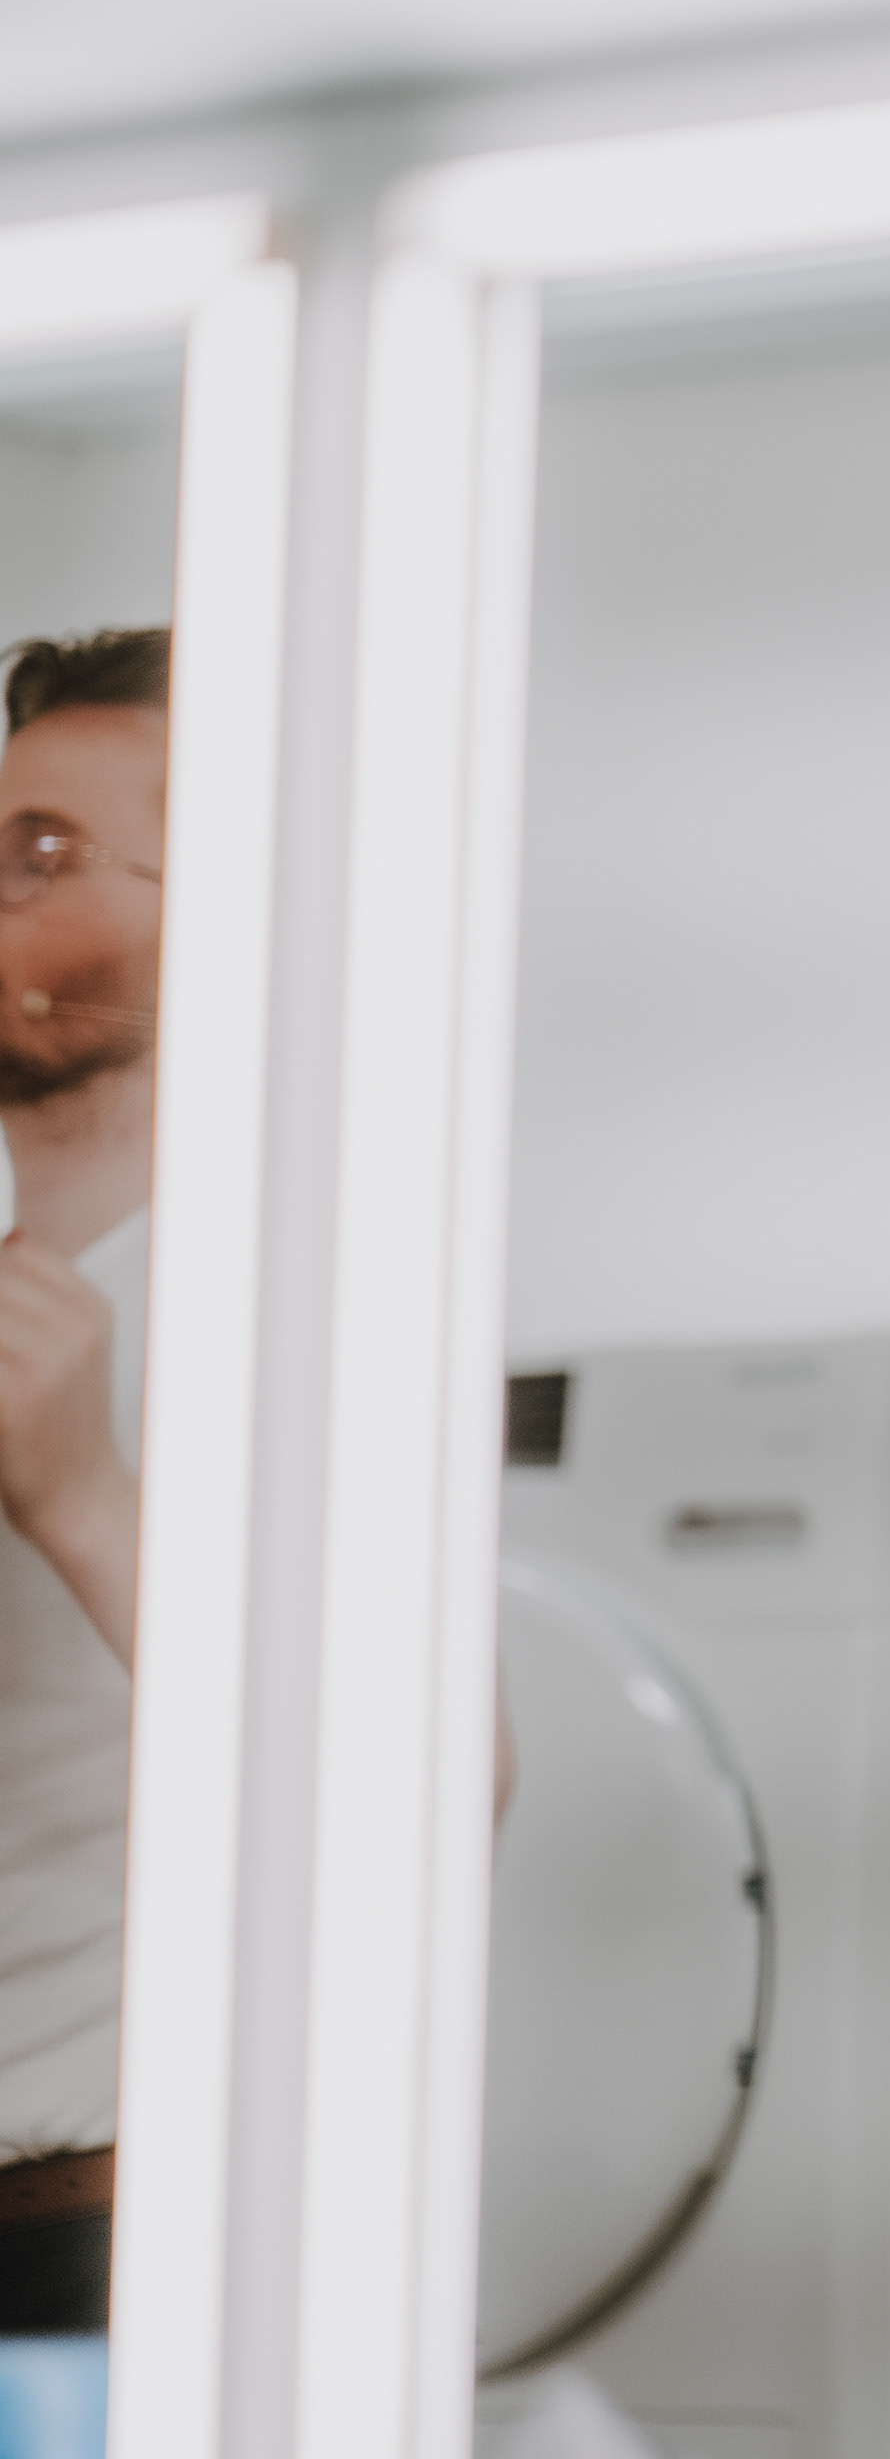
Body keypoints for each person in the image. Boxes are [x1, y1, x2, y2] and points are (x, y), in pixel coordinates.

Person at [0, 628, 170, 2336]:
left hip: (100, 2247)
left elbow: (445, 1780)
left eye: (44, 851)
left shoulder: (309, 1316)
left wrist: (85, 1502)